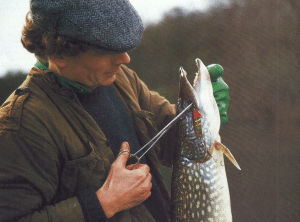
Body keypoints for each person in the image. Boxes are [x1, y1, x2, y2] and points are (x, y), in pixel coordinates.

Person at [0, 0, 229, 221]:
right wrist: (102, 203)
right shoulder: (20, 125)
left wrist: (201, 115)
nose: (125, 59)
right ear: (59, 54)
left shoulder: (119, 79)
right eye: (106, 49)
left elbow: (174, 144)